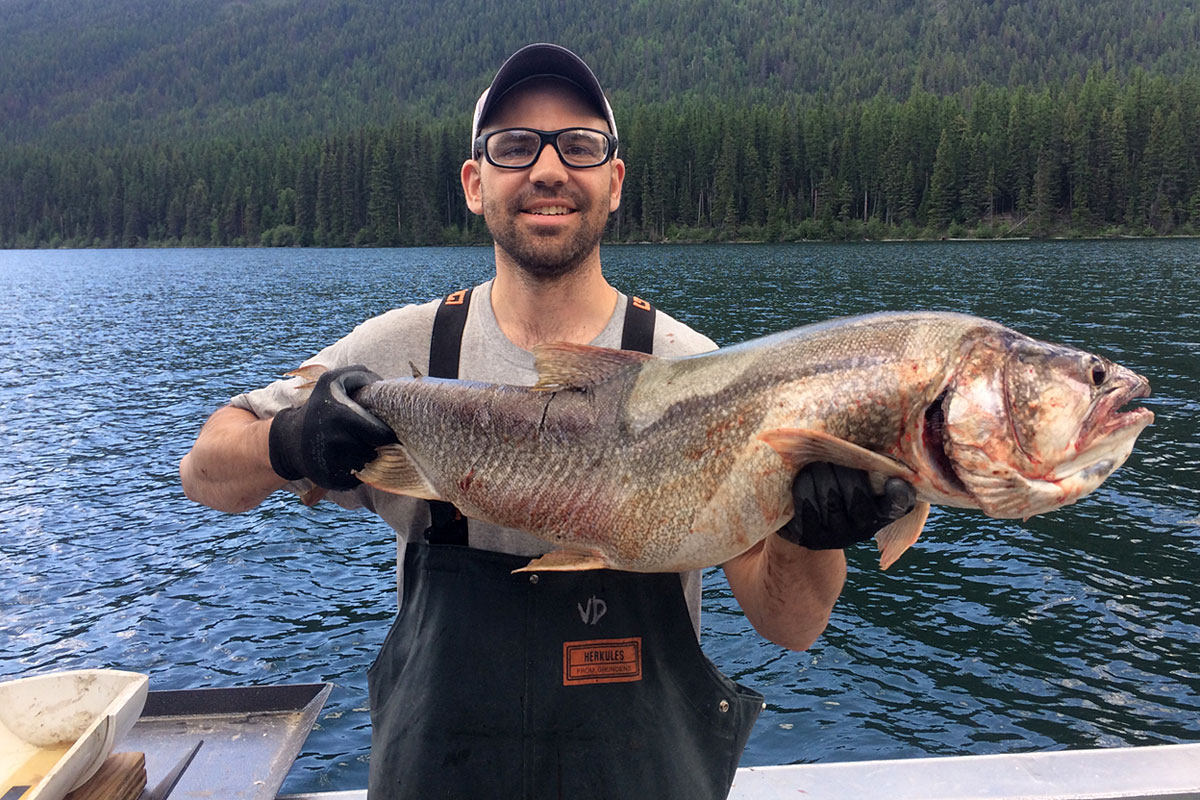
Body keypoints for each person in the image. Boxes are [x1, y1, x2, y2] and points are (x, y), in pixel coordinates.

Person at [180, 43, 914, 800]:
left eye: (581, 146)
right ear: (474, 182)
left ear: (615, 181)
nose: (549, 169)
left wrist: (811, 534)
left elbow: (788, 624)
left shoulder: (692, 368)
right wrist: (291, 438)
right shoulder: (399, 353)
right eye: (515, 146)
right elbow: (206, 474)